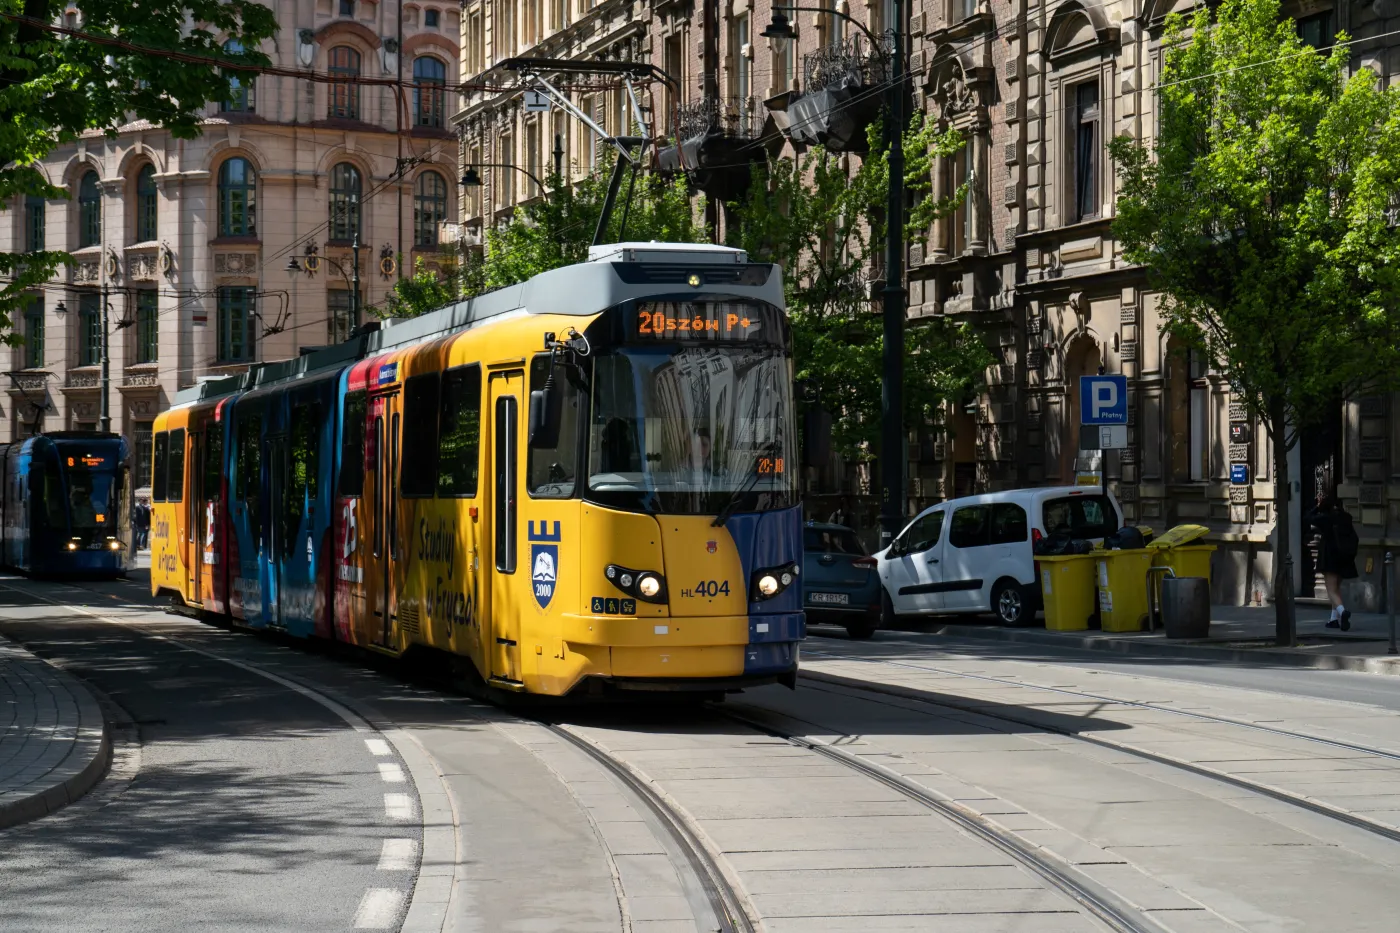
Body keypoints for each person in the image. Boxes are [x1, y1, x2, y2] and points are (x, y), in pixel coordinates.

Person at [1305, 495, 1359, 630]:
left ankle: (1343, 612)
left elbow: (1307, 517)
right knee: (1336, 589)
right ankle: (1333, 619)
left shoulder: (1325, 518)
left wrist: (1317, 507)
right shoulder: (1346, 517)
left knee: (1331, 590)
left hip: (1330, 556)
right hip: (1344, 557)